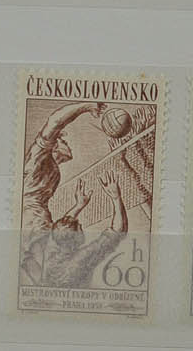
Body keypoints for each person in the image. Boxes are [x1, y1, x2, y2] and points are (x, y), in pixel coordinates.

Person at [20, 171, 127, 289]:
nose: (82, 227)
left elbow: (63, 227)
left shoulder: (55, 245)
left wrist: (79, 205)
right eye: (80, 229)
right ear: (76, 238)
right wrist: (116, 198)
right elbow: (117, 231)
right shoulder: (81, 258)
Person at [20, 99, 104, 232]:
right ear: (54, 146)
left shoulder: (52, 168)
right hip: (32, 222)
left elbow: (59, 230)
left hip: (41, 222)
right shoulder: (38, 155)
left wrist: (79, 206)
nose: (68, 143)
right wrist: (87, 106)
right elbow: (55, 121)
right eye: (63, 141)